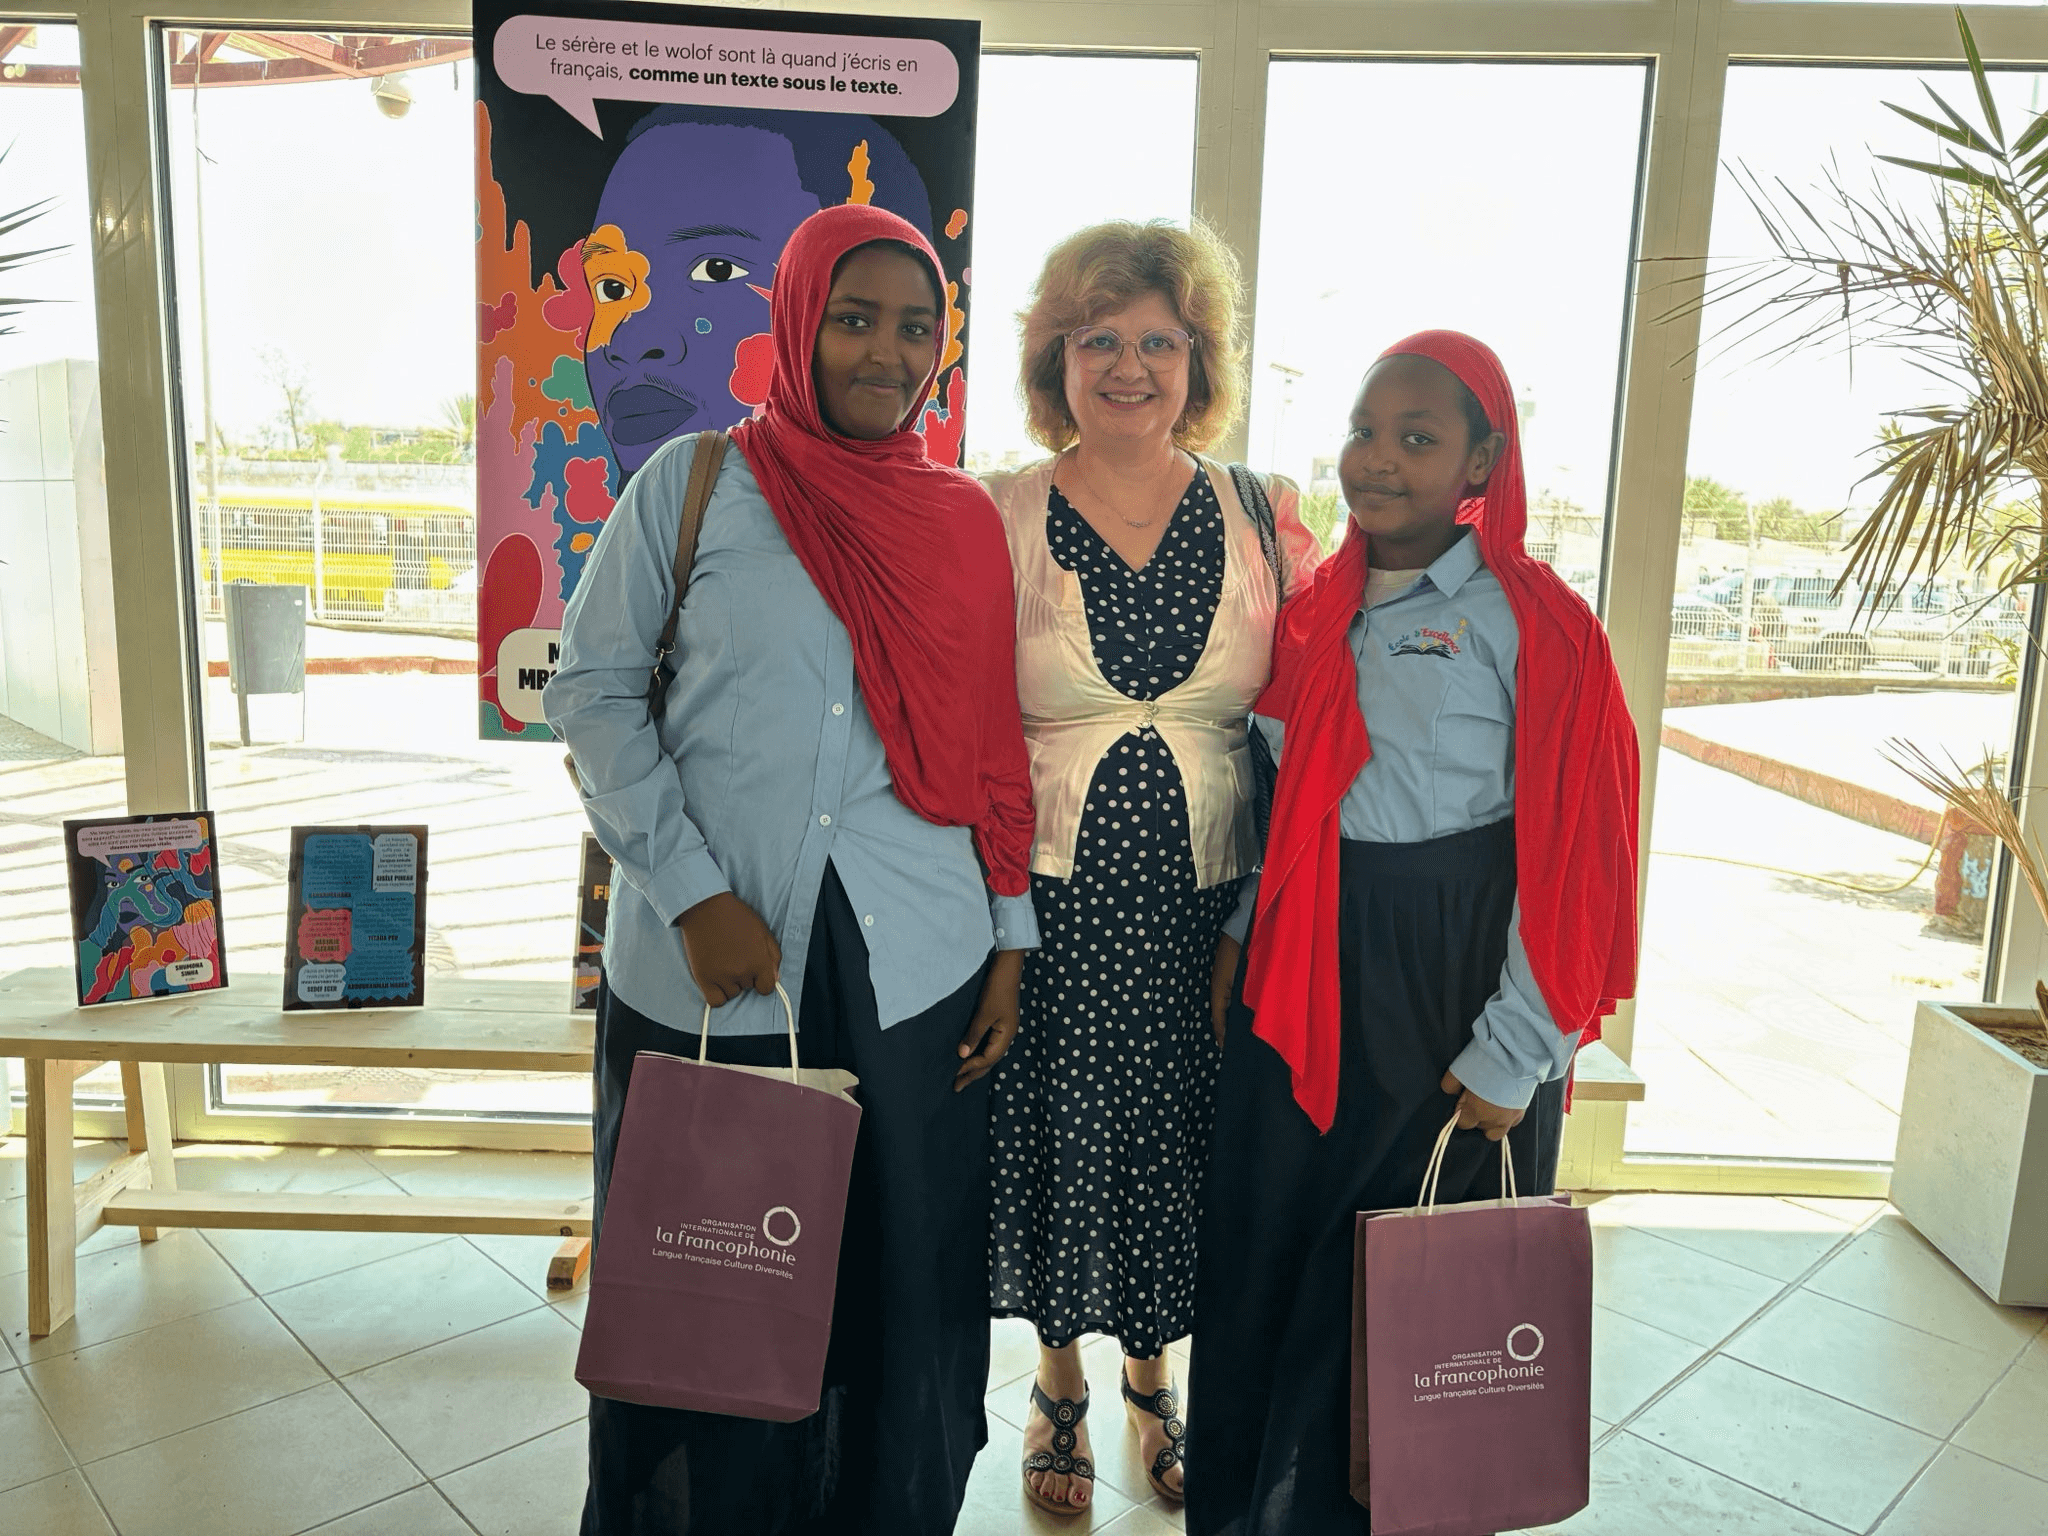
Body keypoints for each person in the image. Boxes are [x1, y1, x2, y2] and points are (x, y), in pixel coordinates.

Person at [544, 203, 1038, 1536]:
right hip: (713, 964)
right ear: (800, 320)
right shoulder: (696, 483)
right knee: (707, 1287)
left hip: (915, 966)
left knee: (897, 1286)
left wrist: (1008, 938)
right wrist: (692, 890)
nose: (888, 352)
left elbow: (990, 742)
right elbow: (590, 693)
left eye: (917, 327)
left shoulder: (960, 521)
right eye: (856, 318)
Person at [1186, 331, 1640, 1536]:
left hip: (1453, 989)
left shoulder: (1535, 624)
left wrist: (1515, 1048)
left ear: (1480, 461)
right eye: (1362, 431)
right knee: (1276, 1265)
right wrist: (1240, 933)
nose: (1375, 460)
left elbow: (1578, 858)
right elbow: (1285, 809)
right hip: (1304, 977)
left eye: (1416, 438)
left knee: (1413, 1296)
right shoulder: (1308, 611)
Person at [981, 220, 1321, 1516]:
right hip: (1045, 908)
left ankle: (1150, 1374)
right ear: (1055, 359)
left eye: (1158, 342)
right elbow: (959, 723)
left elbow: (1308, 713)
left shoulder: (1260, 511)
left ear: (1199, 360)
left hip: (1207, 913)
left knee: (1177, 1147)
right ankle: (1058, 1381)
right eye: (1099, 340)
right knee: (1057, 1139)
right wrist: (995, 924)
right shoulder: (996, 512)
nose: (1129, 367)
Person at [578, 107, 934, 476]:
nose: (628, 343)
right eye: (611, 287)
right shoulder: (667, 493)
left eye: (718, 270)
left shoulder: (954, 507)